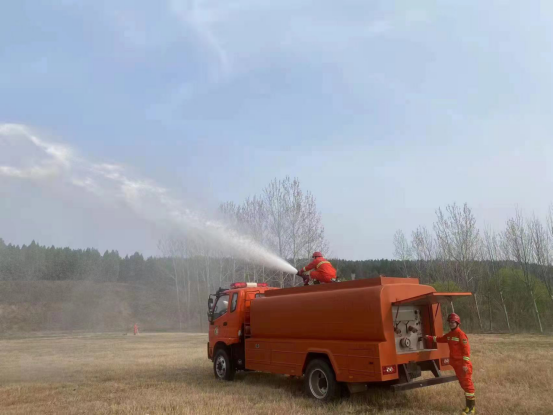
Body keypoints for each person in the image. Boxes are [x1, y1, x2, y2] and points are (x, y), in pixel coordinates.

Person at [426, 313, 476, 414]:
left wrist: (465, 365)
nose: (451, 324)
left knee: (468, 385)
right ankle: (467, 407)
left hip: (463, 366)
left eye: (453, 322)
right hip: (457, 365)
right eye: (450, 322)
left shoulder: (461, 334)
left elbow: (466, 351)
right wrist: (430, 338)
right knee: (463, 385)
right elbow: (441, 339)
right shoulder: (450, 335)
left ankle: (472, 409)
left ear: (457, 323)